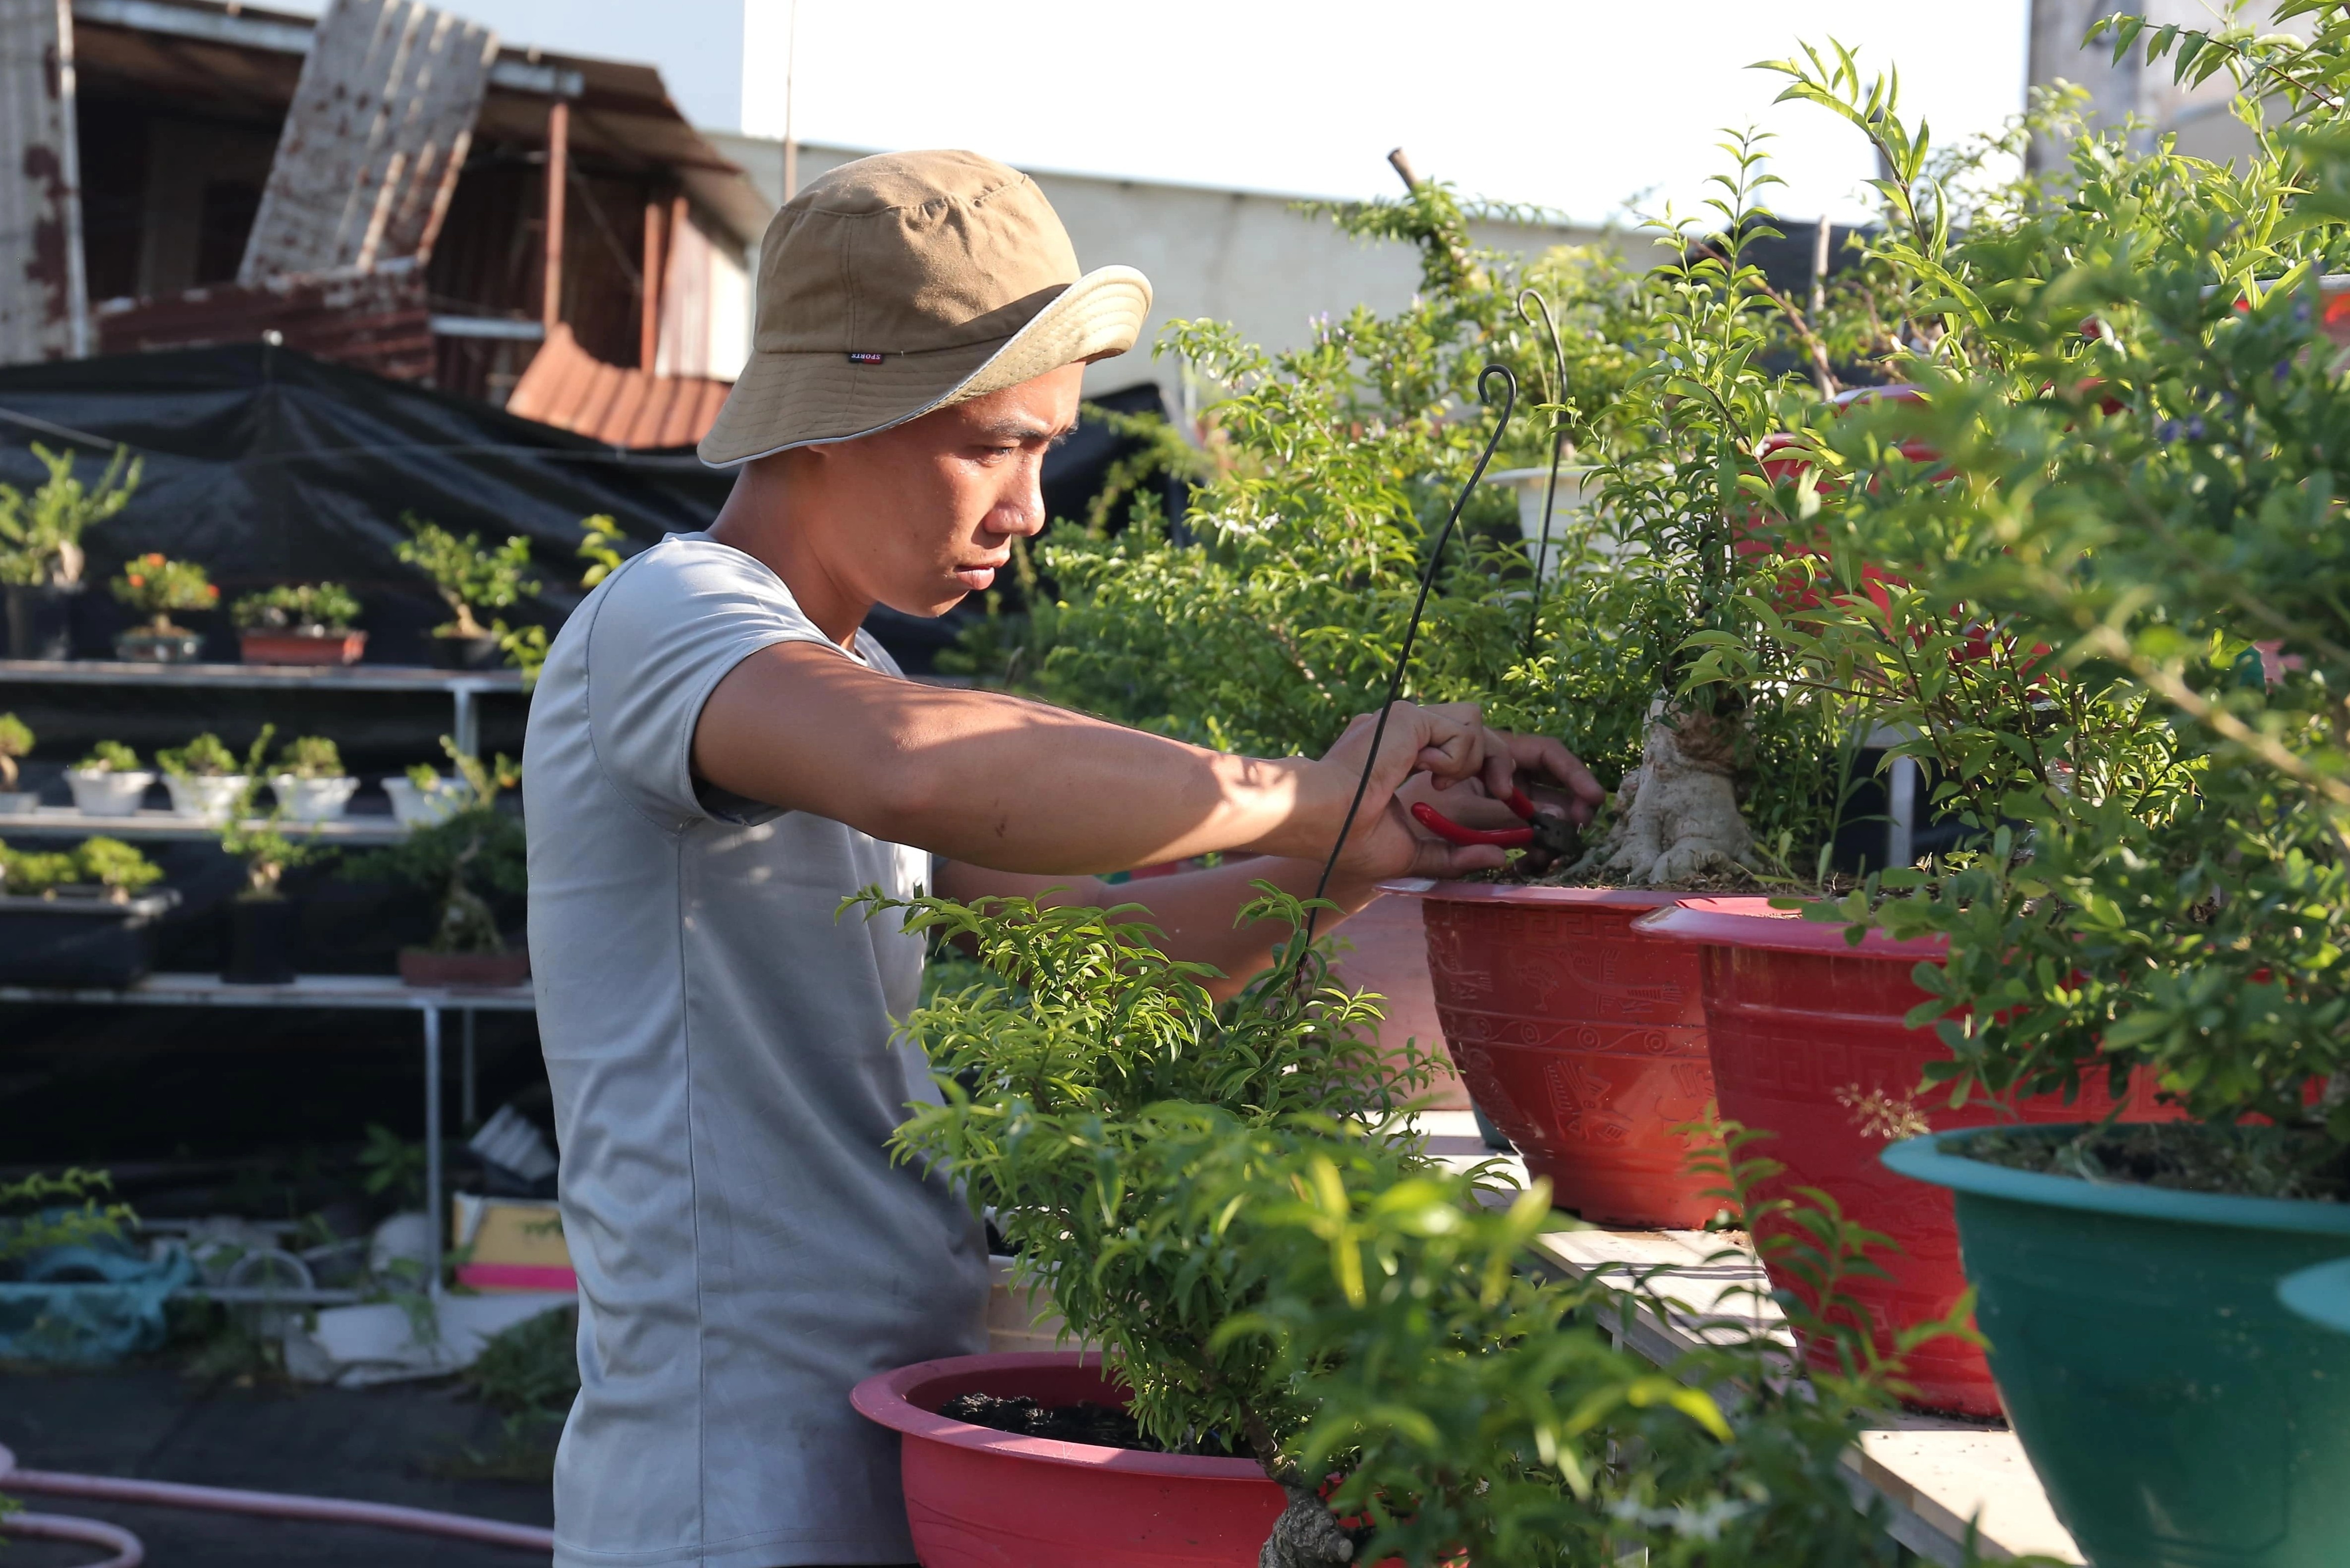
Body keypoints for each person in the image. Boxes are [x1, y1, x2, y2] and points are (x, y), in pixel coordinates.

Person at [523, 149, 1601, 1568]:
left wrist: (1350, 853)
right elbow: (931, 763)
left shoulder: (839, 667)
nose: (1031, 505)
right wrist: (1296, 792)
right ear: (842, 416)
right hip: (726, 1484)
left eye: (1045, 447)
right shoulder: (670, 622)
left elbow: (1086, 956)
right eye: (998, 444)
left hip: (887, 1441)